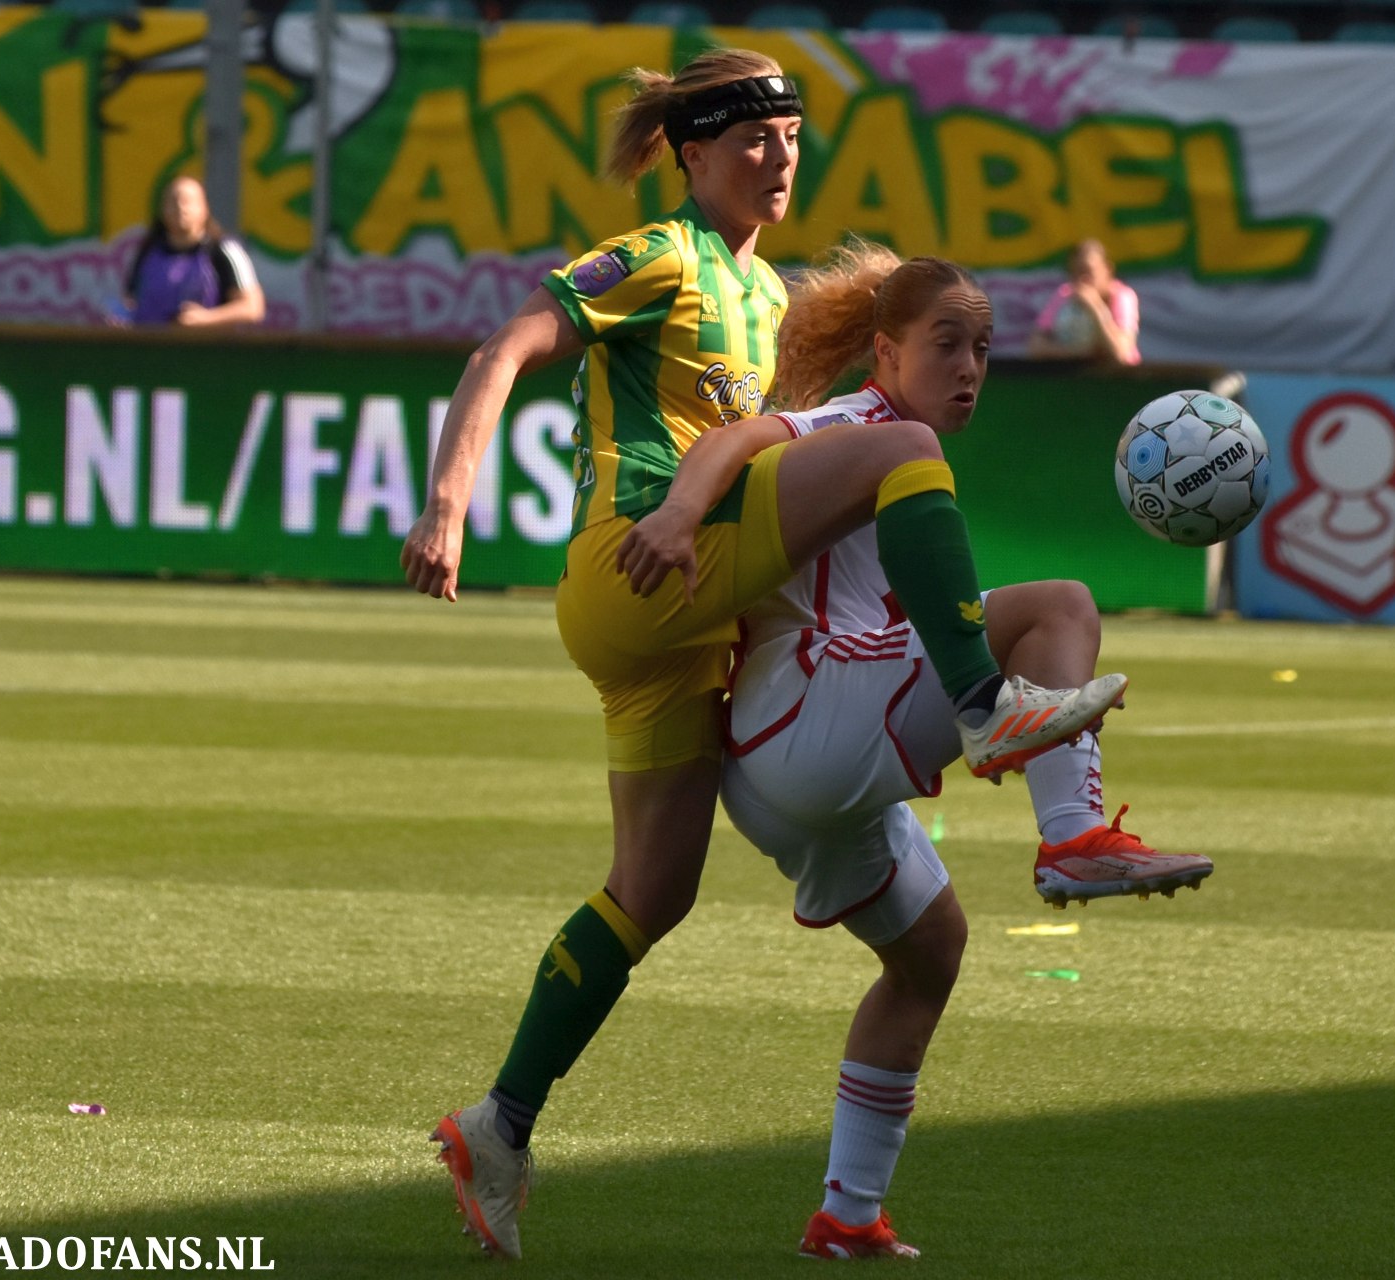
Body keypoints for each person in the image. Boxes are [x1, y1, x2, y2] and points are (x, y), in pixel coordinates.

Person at [400, 49, 1128, 1261]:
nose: (778, 156)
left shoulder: (770, 295)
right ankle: (985, 706)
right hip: (637, 563)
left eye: (791, 136)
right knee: (901, 456)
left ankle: (499, 1124)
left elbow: (788, 419)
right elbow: (504, 349)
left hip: (683, 631)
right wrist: (447, 503)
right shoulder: (661, 255)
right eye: (752, 139)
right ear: (691, 155)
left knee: (652, 891)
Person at [721, 241, 1212, 1259]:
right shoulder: (861, 426)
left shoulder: (895, 451)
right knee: (1061, 606)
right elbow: (756, 442)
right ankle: (1070, 833)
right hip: (805, 706)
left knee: (929, 954)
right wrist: (687, 502)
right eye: (946, 343)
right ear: (884, 352)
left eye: (982, 346)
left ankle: (847, 1213)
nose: (971, 367)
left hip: (789, 764)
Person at [120, 176, 266, 328]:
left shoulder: (224, 250)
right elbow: (130, 300)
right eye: (173, 202)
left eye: (187, 201)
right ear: (162, 210)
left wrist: (207, 319)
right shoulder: (148, 252)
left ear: (204, 208)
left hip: (207, 348)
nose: (180, 208)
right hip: (152, 347)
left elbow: (253, 308)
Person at [1027, 238, 1140, 366]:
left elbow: (1121, 354)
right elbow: (1036, 347)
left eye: (1088, 271)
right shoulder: (1065, 294)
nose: (1082, 279)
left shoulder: (1123, 296)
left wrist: (1095, 308)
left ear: (1107, 269)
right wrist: (1076, 354)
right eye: (1075, 272)